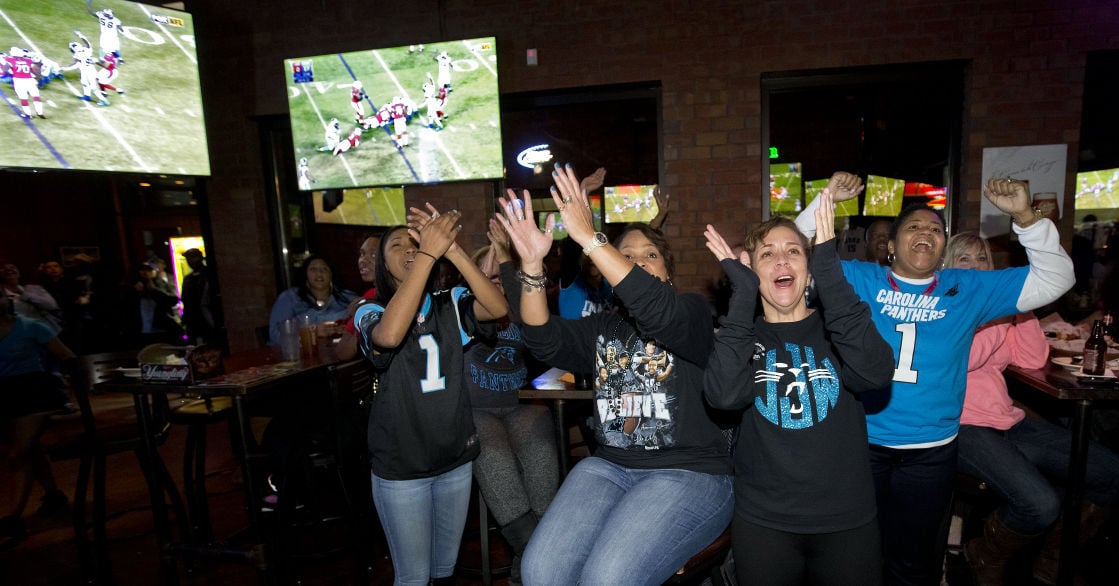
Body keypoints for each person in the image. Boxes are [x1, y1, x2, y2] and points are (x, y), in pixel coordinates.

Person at [794, 174, 1076, 585]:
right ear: (890, 246)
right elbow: (788, 255)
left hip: (931, 452)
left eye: (934, 229)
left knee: (914, 561)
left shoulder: (968, 286)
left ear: (943, 247)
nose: (925, 231)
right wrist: (825, 200)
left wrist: (1024, 217)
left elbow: (1056, 279)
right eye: (913, 226)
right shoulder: (861, 278)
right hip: (861, 445)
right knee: (856, 554)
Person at [497, 164, 734, 586]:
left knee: (608, 578)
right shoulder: (603, 326)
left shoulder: (692, 313)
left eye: (650, 255)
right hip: (609, 466)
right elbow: (542, 339)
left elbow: (657, 312)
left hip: (689, 472)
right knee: (540, 572)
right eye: (625, 256)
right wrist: (532, 265)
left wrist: (591, 237)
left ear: (668, 272)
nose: (637, 261)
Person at [703, 188, 894, 585]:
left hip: (847, 519)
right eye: (767, 254)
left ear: (809, 266)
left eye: (794, 250)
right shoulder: (741, 336)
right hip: (765, 522)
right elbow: (723, 396)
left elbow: (874, 373)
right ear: (750, 270)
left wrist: (831, 275)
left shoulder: (837, 326)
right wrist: (741, 297)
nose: (781, 260)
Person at [943, 232, 1119, 585]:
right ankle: (985, 553)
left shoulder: (995, 305)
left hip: (1006, 420)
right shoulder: (946, 304)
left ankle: (1054, 557)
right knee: (1039, 504)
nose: (976, 267)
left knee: (1109, 471)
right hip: (963, 425)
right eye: (965, 259)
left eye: (982, 260)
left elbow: (1033, 357)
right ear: (948, 267)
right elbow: (968, 358)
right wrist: (999, 312)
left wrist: (1022, 307)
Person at [352, 212, 508, 585]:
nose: (409, 249)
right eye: (397, 245)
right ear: (381, 263)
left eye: (415, 242)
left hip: (454, 458)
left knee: (444, 570)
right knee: (413, 577)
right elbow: (388, 337)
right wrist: (425, 256)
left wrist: (452, 251)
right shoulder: (368, 309)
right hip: (403, 467)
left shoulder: (448, 303)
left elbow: (499, 308)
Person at [464, 223, 558, 584]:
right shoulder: (464, 308)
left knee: (541, 453)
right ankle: (544, 561)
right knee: (495, 458)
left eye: (501, 277)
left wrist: (509, 268)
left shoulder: (522, 307)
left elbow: (531, 329)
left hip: (520, 404)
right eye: (486, 277)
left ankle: (527, 572)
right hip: (477, 410)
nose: (496, 285)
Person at [0, 295, 80, 545]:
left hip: (33, 393)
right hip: (5, 395)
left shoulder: (30, 326)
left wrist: (69, 389)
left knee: (19, 453)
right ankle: (54, 495)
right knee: (31, 449)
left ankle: (13, 518)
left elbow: (67, 356)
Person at [267, 255, 355, 345]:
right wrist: (313, 333)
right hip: (303, 354)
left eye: (324, 269)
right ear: (305, 274)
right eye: (313, 269)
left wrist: (349, 329)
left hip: (341, 350)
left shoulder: (347, 297)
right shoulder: (290, 297)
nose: (319, 272)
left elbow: (364, 322)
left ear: (331, 274)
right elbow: (275, 335)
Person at [335, 235, 378, 361]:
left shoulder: (372, 299)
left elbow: (343, 353)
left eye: (374, 255)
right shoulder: (369, 296)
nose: (363, 260)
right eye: (362, 254)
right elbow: (342, 351)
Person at [122, 261, 183, 346]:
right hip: (142, 331)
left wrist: (154, 291)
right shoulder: (133, 287)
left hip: (162, 329)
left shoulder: (161, 284)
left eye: (149, 270)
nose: (146, 273)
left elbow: (173, 300)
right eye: (142, 270)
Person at [2, 260, 62, 333]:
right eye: (4, 268)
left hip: (43, 328)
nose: (9, 269)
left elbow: (51, 305)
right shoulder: (1, 293)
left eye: (12, 267)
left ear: (19, 273)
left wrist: (24, 294)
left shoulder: (33, 288)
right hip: (16, 332)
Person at [180, 249, 217, 345]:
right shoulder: (188, 278)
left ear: (200, 258)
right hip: (193, 318)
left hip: (206, 315)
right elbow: (185, 299)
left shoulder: (209, 274)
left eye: (192, 257)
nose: (190, 261)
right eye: (188, 258)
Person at [3, 47, 46, 119]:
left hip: (19, 81)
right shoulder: (28, 60)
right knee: (36, 96)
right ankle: (40, 112)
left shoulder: (10, 60)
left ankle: (28, 114)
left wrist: (11, 72)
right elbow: (35, 69)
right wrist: (37, 77)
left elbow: (5, 69)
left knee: (23, 98)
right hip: (30, 80)